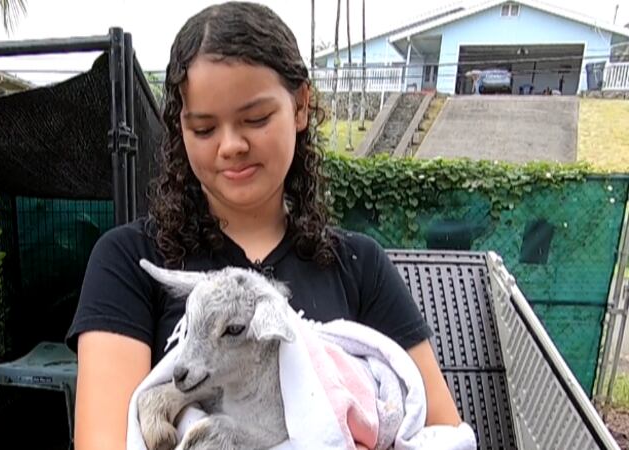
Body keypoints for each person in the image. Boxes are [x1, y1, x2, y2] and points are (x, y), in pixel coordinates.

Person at [67, 2, 462, 449]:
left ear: (300, 106)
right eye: (204, 129)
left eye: (255, 119)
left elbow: (440, 432)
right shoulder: (128, 261)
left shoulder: (359, 265)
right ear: (180, 129)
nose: (231, 145)